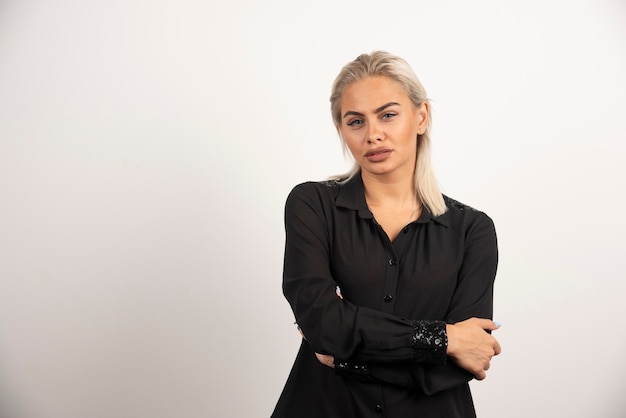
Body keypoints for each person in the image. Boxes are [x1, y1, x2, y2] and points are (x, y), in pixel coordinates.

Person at [271, 51, 501, 418]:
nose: (373, 134)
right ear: (342, 130)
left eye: (388, 115)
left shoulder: (472, 230)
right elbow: (322, 323)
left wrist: (347, 353)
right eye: (355, 121)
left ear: (421, 116)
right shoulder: (312, 204)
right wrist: (446, 339)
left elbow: (464, 361)